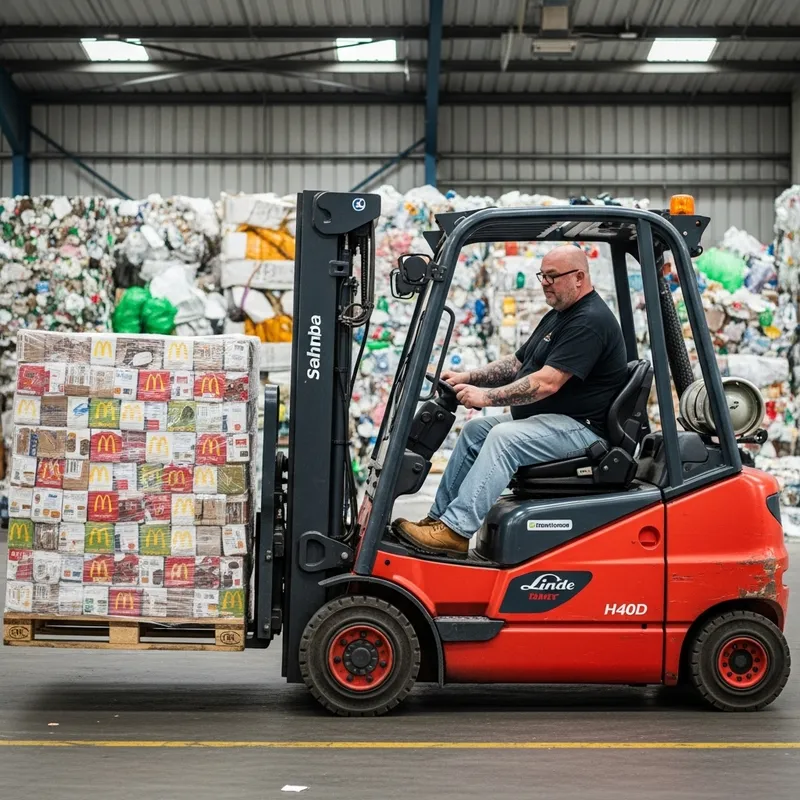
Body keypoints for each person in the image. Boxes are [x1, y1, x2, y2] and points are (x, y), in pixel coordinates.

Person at [392, 244, 628, 556]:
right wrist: (468, 377)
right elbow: (517, 365)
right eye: (542, 275)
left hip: (583, 428)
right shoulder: (559, 315)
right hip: (554, 421)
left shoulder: (590, 320)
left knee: (505, 438)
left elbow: (547, 382)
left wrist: (484, 397)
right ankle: (438, 522)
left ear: (579, 277)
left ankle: (456, 529)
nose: (544, 283)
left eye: (552, 277)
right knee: (478, 432)